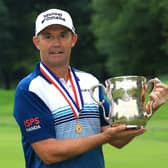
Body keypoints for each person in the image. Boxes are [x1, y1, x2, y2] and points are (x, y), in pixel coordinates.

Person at [13, 8, 168, 168]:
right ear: (37, 42)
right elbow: (49, 153)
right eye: (48, 36)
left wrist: (149, 108)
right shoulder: (29, 89)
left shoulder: (90, 82)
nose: (56, 43)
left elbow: (118, 140)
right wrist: (104, 137)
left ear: (73, 39)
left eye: (63, 35)